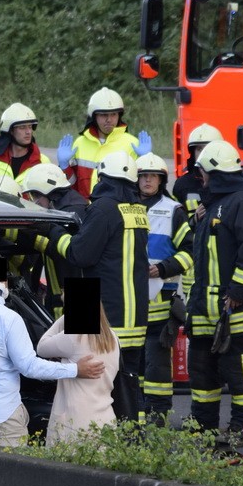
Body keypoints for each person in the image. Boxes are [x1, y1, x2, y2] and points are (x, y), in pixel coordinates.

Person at [0, 258, 105, 447]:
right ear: (4, 282)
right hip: (2, 414)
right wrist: (75, 370)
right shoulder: (9, 319)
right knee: (12, 473)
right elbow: (29, 367)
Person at [186, 140, 243, 436]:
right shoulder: (214, 203)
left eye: (204, 173)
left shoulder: (242, 201)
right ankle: (203, 423)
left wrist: (238, 292)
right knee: (201, 369)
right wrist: (194, 220)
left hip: (235, 308)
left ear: (216, 173)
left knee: (237, 368)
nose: (201, 179)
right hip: (205, 307)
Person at [41, 151, 150, 383]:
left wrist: (53, 231)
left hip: (103, 313)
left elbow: (80, 255)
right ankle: (133, 421)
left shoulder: (103, 209)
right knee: (129, 384)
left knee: (93, 385)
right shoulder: (138, 209)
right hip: (135, 317)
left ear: (103, 178)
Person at [135, 154, 193, 422]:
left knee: (157, 365)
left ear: (161, 180)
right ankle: (136, 410)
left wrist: (165, 268)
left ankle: (158, 414)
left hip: (162, 300)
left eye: (152, 176)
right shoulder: (126, 207)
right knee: (135, 362)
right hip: (132, 303)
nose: (147, 180)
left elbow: (190, 251)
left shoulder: (173, 210)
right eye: (143, 175)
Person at [36, 280, 119, 446]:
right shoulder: (112, 337)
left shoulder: (74, 336)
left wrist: (65, 318)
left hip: (74, 421)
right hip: (105, 419)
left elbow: (41, 347)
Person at [56, 87, 151, 200]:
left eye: (113, 114)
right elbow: (71, 185)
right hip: (84, 210)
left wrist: (145, 160)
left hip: (116, 210)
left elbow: (141, 185)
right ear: (94, 117)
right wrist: (64, 166)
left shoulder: (133, 144)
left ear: (119, 116)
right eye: (103, 115)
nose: (109, 120)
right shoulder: (79, 143)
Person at [21, 163, 87, 317]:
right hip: (58, 298)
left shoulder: (71, 215)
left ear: (48, 193)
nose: (33, 201)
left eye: (35, 196)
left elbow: (70, 256)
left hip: (78, 299)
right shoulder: (63, 210)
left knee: (78, 341)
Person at [0, 103, 51, 187]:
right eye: (22, 127)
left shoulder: (43, 163)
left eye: (30, 127)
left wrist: (64, 168)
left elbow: (55, 196)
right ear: (10, 131)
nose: (28, 132)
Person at [173, 123, 223, 224]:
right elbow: (175, 223)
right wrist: (194, 220)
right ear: (193, 153)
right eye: (199, 149)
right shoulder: (182, 185)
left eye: (207, 148)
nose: (203, 154)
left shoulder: (228, 183)